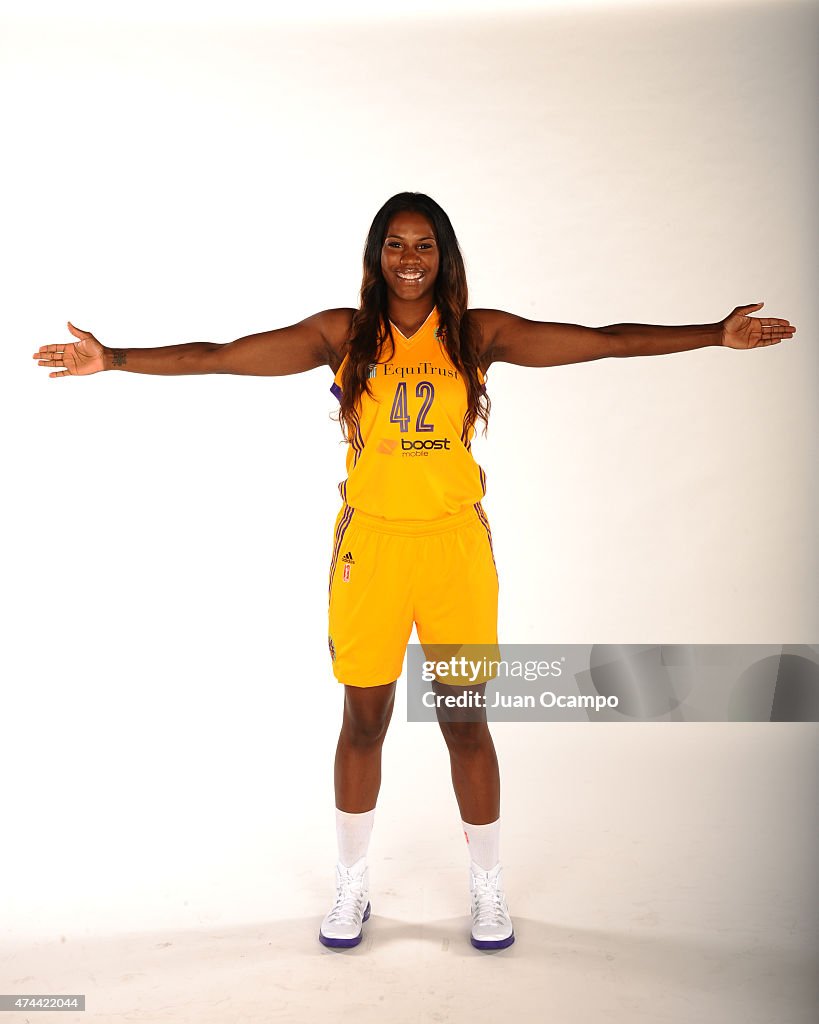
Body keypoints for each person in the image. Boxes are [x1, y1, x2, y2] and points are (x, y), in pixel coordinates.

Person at [32, 192, 796, 952]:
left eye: (422, 245)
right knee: (364, 718)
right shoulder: (343, 335)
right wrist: (117, 359)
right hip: (373, 549)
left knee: (464, 720)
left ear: (444, 256)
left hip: (452, 550)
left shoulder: (474, 333)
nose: (407, 259)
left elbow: (603, 341)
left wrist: (713, 335)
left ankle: (487, 887)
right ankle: (352, 883)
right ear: (377, 255)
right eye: (394, 245)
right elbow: (222, 356)